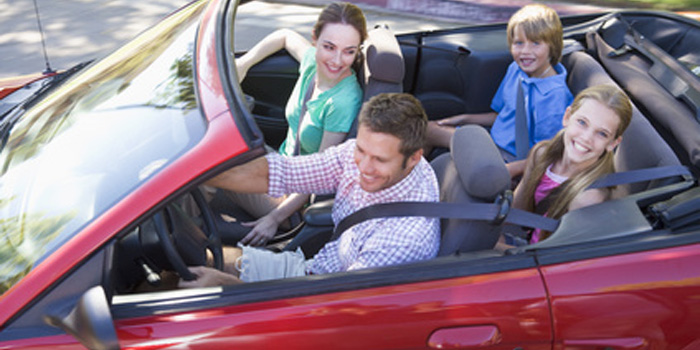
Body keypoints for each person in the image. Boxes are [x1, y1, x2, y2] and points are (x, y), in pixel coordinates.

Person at [180, 93, 440, 287]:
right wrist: (186, 173)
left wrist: (227, 286)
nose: (363, 166)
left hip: (318, 300)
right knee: (193, 259)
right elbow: (284, 172)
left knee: (190, 285)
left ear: (414, 158)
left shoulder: (404, 239)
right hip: (314, 271)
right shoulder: (371, 154)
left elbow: (333, 309)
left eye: (379, 160)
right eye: (361, 150)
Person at [225, 2, 368, 247]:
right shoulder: (312, 62)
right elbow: (284, 36)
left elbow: (321, 175)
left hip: (293, 196)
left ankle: (176, 238)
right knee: (216, 151)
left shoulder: (343, 101)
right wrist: (244, 64)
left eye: (348, 51)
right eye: (329, 47)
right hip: (281, 165)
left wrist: (273, 218)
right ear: (315, 39)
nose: (336, 60)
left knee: (209, 171)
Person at [424, 3, 573, 177]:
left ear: (552, 46)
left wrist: (509, 172)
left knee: (428, 132)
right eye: (519, 43)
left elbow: (547, 154)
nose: (525, 51)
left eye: (536, 43)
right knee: (425, 129)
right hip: (492, 142)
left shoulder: (555, 97)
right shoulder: (516, 70)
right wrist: (464, 119)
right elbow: (502, 115)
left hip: (510, 159)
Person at [508, 85, 632, 245]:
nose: (586, 138)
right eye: (582, 122)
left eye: (602, 134)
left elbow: (557, 255)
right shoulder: (541, 154)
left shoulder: (588, 197)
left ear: (613, 143)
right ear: (567, 117)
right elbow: (517, 211)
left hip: (541, 257)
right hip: (529, 237)